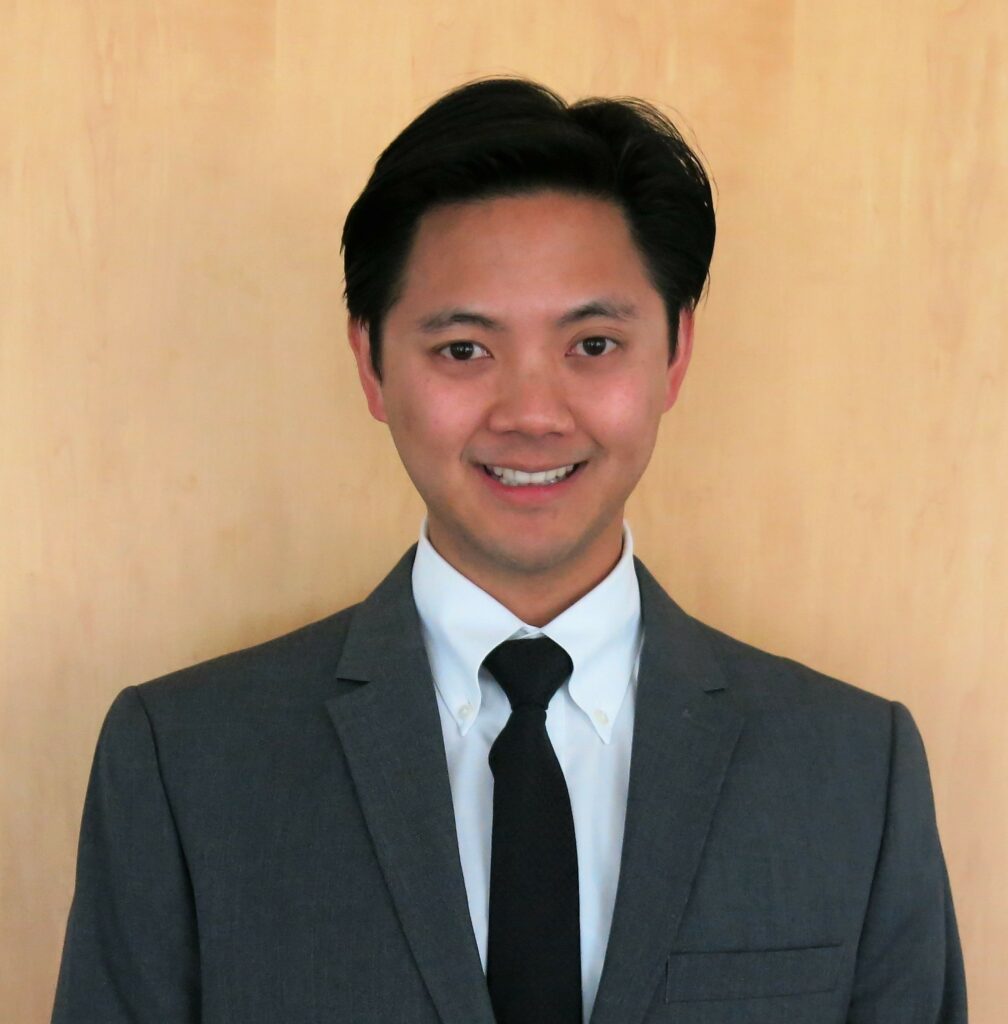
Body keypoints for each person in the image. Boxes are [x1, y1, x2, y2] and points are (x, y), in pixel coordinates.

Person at [52, 77, 966, 1024]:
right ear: (371, 364)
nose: (532, 414)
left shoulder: (854, 771)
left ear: (675, 354)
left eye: (594, 345)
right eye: (464, 350)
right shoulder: (185, 762)